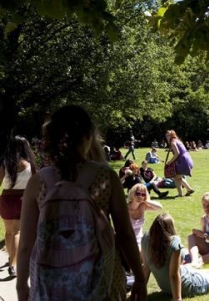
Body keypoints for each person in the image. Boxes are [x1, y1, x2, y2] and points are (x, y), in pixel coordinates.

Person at [16, 105, 146, 301]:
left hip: (52, 286)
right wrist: (139, 277)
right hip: (102, 281)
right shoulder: (106, 177)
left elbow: (26, 244)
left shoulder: (38, 181)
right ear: (88, 136)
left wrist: (21, 286)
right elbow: (125, 234)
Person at [0, 136, 38, 277]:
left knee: (9, 232)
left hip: (6, 199)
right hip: (23, 199)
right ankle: (12, 266)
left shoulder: (5, 164)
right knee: (17, 232)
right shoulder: (30, 164)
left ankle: (11, 258)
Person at [128, 183, 163, 249]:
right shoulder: (124, 208)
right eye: (138, 193)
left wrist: (146, 201)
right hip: (126, 238)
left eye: (143, 194)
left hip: (139, 239)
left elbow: (159, 207)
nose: (140, 196)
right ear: (132, 194)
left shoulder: (143, 206)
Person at [165, 129, 195, 197]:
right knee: (178, 176)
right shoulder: (178, 140)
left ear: (172, 135)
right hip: (187, 159)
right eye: (166, 136)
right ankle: (189, 189)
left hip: (183, 160)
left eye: (169, 135)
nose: (167, 137)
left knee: (176, 177)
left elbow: (177, 153)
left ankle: (180, 194)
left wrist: (169, 162)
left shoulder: (173, 142)